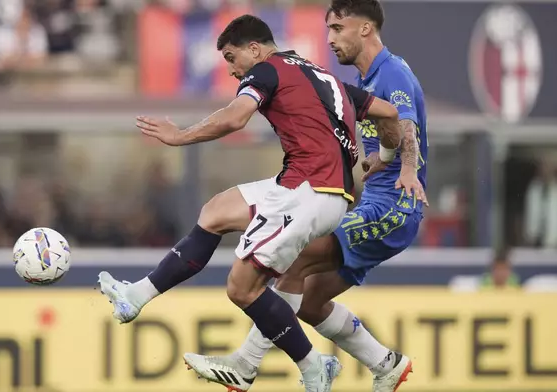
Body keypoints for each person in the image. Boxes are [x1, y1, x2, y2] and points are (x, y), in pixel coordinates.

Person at [97, 14, 403, 392]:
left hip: (306, 194)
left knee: (242, 288)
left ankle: (311, 366)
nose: (230, 70)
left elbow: (235, 118)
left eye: (230, 57)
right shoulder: (321, 76)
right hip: (316, 190)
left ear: (255, 48)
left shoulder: (267, 70)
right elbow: (390, 112)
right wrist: (387, 156)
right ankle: (136, 295)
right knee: (216, 212)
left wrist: (179, 136)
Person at [183, 1, 428, 391]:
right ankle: (387, 365)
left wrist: (409, 169)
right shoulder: (359, 83)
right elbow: (388, 127)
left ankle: (246, 365)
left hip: (394, 206)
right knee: (311, 303)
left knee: (294, 261)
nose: (330, 40)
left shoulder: (391, 71)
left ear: (365, 29)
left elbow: (405, 123)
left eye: (337, 29)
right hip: (372, 203)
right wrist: (382, 156)